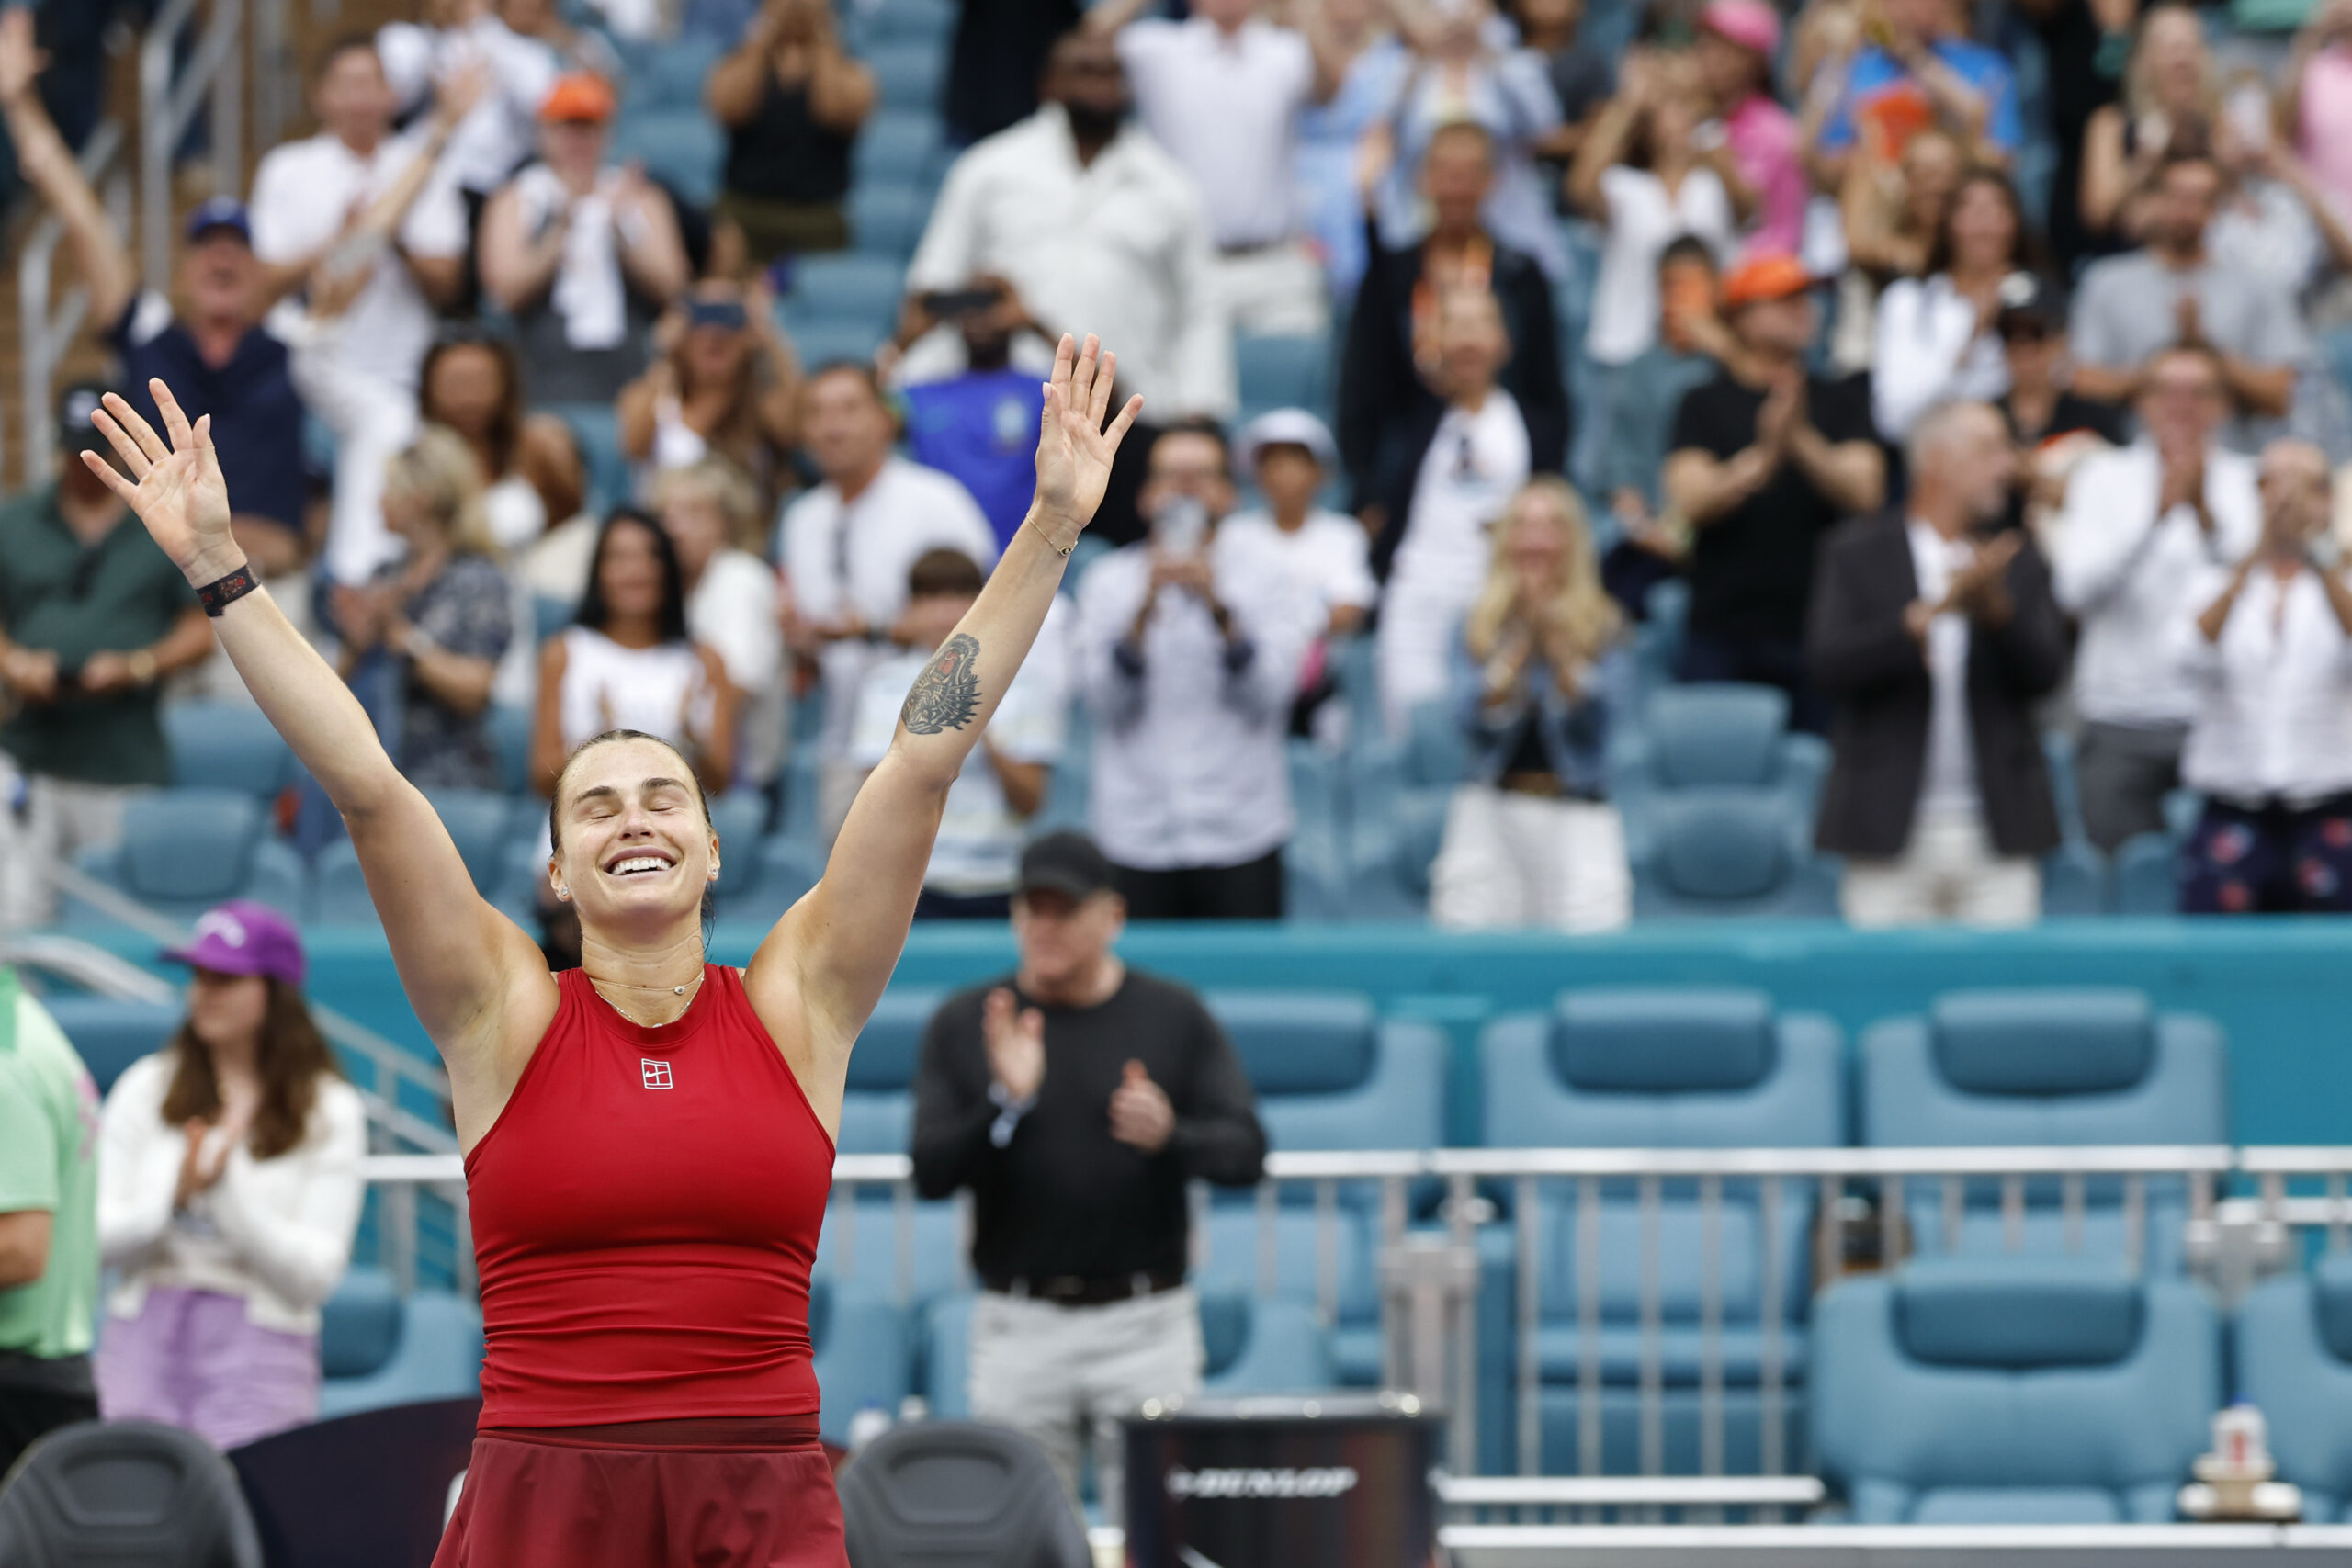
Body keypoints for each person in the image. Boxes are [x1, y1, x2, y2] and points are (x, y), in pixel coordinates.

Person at [75, 331, 1141, 1564]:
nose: (634, 815)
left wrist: (1051, 527)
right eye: (597, 802)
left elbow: (922, 755)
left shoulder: (803, 999)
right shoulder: (499, 1012)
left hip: (763, 1496)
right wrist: (219, 566)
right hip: (545, 1498)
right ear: (557, 870)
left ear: (712, 847)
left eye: (663, 795)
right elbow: (367, 783)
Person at [910, 829, 1264, 1510]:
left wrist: (1170, 1134)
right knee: (1017, 1538)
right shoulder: (969, 1022)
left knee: (1165, 1530)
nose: (1043, 927)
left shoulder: (1173, 1015)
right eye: (1029, 909)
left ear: (1113, 917)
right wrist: (1003, 1102)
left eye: (1063, 910)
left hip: (1145, 1322)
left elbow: (1246, 1152)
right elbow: (930, 1170)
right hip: (1018, 1323)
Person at [0, 9, 307, 578]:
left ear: (261, 272)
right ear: (185, 271)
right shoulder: (150, 332)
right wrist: (19, 106)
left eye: (237, 248)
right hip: (166, 585)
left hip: (268, 580)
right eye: (208, 247)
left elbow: (359, 247)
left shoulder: (295, 341)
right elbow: (79, 213)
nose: (222, 257)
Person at [94, 903, 366, 1450]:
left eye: (225, 978)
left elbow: (313, 1278)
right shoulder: (146, 1086)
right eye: (197, 975)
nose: (202, 992)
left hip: (263, 1349)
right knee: (135, 1506)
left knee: (251, 1519)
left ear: (273, 991)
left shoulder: (328, 1108)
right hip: (144, 1334)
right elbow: (93, 1237)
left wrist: (225, 1192)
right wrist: (173, 1198)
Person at [1810, 400, 2065, 928]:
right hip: (1888, 829)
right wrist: (1919, 622)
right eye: (1990, 450)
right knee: (1881, 996)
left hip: (1999, 831)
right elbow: (1826, 665)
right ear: (1938, 460)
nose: (2007, 466)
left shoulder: (2018, 558)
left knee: (1999, 1002)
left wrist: (1996, 613)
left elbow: (2047, 677)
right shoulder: (1857, 553)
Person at [904, 31, 1234, 419]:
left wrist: (1199, 408)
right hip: (1009, 402)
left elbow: (1201, 306)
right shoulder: (989, 169)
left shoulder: (1169, 184)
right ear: (1050, 83)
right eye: (1084, 70)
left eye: (1113, 73)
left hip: (1131, 408)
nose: (1101, 84)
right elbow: (932, 285)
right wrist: (987, 306)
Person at [1074, 423, 1315, 918]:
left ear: (1228, 494)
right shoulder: (1109, 582)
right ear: (1144, 496)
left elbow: (1273, 694)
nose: (1185, 489)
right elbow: (1101, 702)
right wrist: (1143, 612)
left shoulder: (1269, 576)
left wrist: (1218, 609)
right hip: (1136, 832)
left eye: (1200, 476)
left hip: (1240, 829)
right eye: (1170, 476)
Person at [0, 388, 215, 929]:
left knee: (111, 918)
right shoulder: (18, 520)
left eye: (94, 449)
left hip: (122, 754)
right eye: (73, 450)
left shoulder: (157, 519)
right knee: (15, 916)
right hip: (28, 749)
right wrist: (15, 664)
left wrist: (137, 665)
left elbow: (201, 628)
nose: (83, 464)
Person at [1663, 252, 1885, 732]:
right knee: (1715, 766)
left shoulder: (1841, 399)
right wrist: (1764, 456)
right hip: (1722, 628)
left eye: (1805, 297)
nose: (1803, 308)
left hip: (1818, 625)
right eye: (1784, 299)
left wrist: (1797, 436)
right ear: (1742, 317)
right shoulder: (1702, 403)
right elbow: (1691, 502)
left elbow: (1867, 493)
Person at [2051, 344, 2260, 852]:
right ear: (2140, 402)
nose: (2181, 405)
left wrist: (2206, 516)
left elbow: (2259, 594)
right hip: (2121, 719)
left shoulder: (2249, 479)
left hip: (2225, 722)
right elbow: (2073, 592)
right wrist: (2154, 519)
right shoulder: (2102, 478)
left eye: (2198, 393)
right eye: (2165, 391)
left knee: (2224, 903)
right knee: (2123, 900)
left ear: (2222, 406)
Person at [1338, 120, 1568, 531]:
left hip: (1503, 475)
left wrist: (1539, 486)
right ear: (1422, 179)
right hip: (1405, 475)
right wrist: (1368, 492)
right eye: (1445, 173)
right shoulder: (1392, 274)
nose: (1455, 188)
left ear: (1491, 182)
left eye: (1469, 175)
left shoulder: (1519, 275)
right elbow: (1361, 386)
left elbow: (1545, 388)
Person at [776, 363, 999, 784]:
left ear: (885, 420)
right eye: (817, 413)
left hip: (933, 740)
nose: (832, 427)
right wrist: (801, 640)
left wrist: (873, 631)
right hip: (843, 741)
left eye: (848, 409)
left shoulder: (938, 502)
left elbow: (988, 619)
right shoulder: (801, 519)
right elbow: (818, 643)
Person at [1429, 479, 1633, 930]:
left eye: (1550, 526)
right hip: (1490, 809)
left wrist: (1560, 643)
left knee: (1589, 957)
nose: (1536, 540)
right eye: (1523, 525)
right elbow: (1467, 718)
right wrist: (1516, 643)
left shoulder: (1605, 624)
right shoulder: (1475, 624)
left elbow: (1598, 720)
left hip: (1577, 810)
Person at [1085, 0, 1342, 335]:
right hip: (1187, 267)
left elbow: (1332, 89)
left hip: (1276, 264)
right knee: (1191, 387)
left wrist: (1301, 12)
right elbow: (1089, 42)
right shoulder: (1159, 48)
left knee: (1294, 379)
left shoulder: (1284, 49)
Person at [2177, 440, 2352, 914]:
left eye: (2304, 485)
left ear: (2327, 499)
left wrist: (2317, 553)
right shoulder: (2214, 581)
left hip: (2328, 803)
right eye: (2271, 483)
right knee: (2215, 963)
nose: (2285, 499)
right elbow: (2187, 656)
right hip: (2234, 804)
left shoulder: (2343, 581)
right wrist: (2255, 550)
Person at [850, 550, 1068, 919]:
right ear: (910, 610)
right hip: (911, 885)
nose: (944, 613)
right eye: (930, 597)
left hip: (1002, 881)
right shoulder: (882, 687)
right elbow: (877, 802)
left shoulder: (1028, 685)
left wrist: (978, 726)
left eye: (958, 595)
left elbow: (1030, 801)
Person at [249, 36, 469, 395]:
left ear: (392, 94)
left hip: (404, 368)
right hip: (305, 367)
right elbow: (263, 281)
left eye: (369, 83)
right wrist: (349, 238)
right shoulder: (286, 168)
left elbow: (448, 282)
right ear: (319, 95)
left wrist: (387, 236)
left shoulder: (424, 166)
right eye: (345, 85)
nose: (358, 98)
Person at [2068, 149, 2308, 453]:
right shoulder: (2106, 281)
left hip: (2231, 465)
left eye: (2201, 199)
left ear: (2218, 209)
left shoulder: (2258, 285)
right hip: (2129, 464)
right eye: (2176, 196)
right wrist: (2155, 371)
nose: (2186, 210)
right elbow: (2081, 382)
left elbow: (2281, 395)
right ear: (2154, 200)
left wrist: (2206, 348)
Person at [1374, 288, 1535, 737]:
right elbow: (1376, 329)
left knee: (1493, 736)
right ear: (1433, 339)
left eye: (1480, 324)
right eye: (1455, 325)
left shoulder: (1536, 422)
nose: (1468, 339)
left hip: (1501, 603)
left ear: (1504, 341)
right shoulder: (1412, 415)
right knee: (1414, 734)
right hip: (1419, 601)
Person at [479, 73, 692, 408]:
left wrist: (620, 232)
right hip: (541, 373)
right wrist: (563, 227)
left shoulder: (640, 198)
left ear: (607, 133)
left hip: (626, 370)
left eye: (589, 128)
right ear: (544, 131)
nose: (578, 140)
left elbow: (674, 287)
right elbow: (504, 291)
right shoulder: (516, 199)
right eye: (567, 127)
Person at [334, 426, 517, 793]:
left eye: (388, 489)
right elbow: (338, 692)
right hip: (376, 772)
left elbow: (474, 691)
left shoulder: (478, 579)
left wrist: (402, 637)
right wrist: (358, 641)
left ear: (420, 499)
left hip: (447, 779)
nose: (378, 501)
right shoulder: (384, 574)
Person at [533, 509, 739, 797]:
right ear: (598, 571)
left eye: (650, 556)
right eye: (619, 558)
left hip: (672, 829)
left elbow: (721, 783)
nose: (636, 570)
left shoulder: (705, 661)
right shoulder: (563, 653)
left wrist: (690, 736)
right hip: (587, 827)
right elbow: (541, 780)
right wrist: (597, 741)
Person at [1567, 51, 1742, 382]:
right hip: (1625, 346)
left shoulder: (1713, 184)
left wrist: (1702, 115)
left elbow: (1748, 202)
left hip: (1705, 347)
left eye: (1684, 105)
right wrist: (1628, 105)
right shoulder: (1625, 186)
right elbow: (1579, 189)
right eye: (1667, 107)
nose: (1677, 117)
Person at [1364, 0, 1567, 281]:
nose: (1455, 23)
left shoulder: (1512, 64)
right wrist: (1422, 50)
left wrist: (1488, 50)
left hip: (1504, 217)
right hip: (1423, 220)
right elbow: (1384, 127)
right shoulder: (1406, 70)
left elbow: (1544, 127)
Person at [0, 974, 98, 1476]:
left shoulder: (5, 1061)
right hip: (42, 1387)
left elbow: (20, 1246)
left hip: (16, 1394)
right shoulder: (25, 1025)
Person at [1871, 167, 2038, 444]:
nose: (1984, 223)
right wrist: (1973, 335)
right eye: (1970, 209)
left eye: (1997, 208)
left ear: (2015, 222)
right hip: (1938, 457)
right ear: (1949, 223)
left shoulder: (2041, 297)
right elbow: (1893, 418)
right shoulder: (1907, 301)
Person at [707, 0, 875, 268]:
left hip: (817, 218)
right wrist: (760, 40)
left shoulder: (846, 63)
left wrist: (824, 39)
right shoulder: (743, 57)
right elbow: (729, 109)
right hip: (745, 212)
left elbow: (834, 112)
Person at [655, 457, 786, 787]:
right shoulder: (664, 587)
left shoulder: (741, 578)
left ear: (726, 522)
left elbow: (736, 687)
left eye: (693, 514)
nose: (674, 527)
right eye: (664, 515)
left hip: (736, 777)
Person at [1590, 236, 1730, 546]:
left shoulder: (1737, 364)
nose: (1680, 299)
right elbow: (1619, 478)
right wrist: (1650, 534)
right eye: (1670, 286)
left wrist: (1723, 348)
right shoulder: (1635, 373)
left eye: (1693, 287)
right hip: (1655, 535)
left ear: (1717, 290)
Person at [617, 279, 801, 511]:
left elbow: (793, 429)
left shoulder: (760, 405)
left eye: (728, 315)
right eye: (701, 315)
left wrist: (771, 339)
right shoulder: (655, 396)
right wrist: (662, 349)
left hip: (740, 539)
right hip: (665, 531)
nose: (714, 333)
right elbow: (633, 446)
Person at [900, 277, 1050, 551]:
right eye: (968, 304)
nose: (979, 315)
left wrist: (1033, 323)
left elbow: (1106, 398)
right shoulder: (923, 395)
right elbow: (864, 411)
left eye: (990, 304)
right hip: (945, 568)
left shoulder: (1041, 391)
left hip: (1026, 562)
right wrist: (907, 338)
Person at [1814, 0, 2022, 179]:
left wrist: (1916, 59)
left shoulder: (1987, 67)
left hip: (1957, 204)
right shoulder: (1853, 69)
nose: (1915, 6)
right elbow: (1825, 165)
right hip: (1878, 208)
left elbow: (2001, 160)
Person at [1991, 274, 2127, 538]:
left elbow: (2123, 500)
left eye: (2036, 333)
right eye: (2009, 334)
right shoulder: (1982, 418)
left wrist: (2045, 484)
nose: (2022, 347)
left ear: (2061, 340)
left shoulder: (2095, 417)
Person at [1224, 409, 1376, 643]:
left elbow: (1349, 609)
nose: (1284, 474)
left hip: (1315, 675)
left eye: (1296, 461)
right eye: (1273, 463)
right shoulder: (1232, 533)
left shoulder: (1344, 534)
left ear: (1320, 472)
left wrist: (1290, 630)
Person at [2078, 4, 2216, 251]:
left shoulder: (2217, 122)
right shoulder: (2111, 123)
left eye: (2190, 46)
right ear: (2145, 58)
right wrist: (2144, 161)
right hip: (2128, 263)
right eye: (2171, 48)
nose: (2182, 59)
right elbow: (2097, 214)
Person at [1694, 0, 1804, 254]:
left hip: (1761, 277)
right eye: (1706, 42)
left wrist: (1708, 144)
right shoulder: (1708, 116)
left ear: (1753, 60)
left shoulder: (1772, 129)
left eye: (1725, 48)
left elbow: (1747, 211)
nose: (1709, 55)